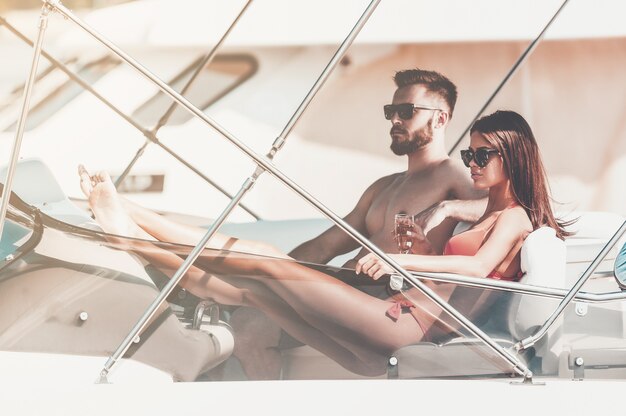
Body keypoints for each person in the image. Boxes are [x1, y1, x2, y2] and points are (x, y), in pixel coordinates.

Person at [79, 110, 570, 377]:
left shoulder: (517, 217)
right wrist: (422, 246)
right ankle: (134, 226)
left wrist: (394, 257)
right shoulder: (487, 213)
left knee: (268, 262)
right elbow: (457, 271)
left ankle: (130, 222)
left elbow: (479, 268)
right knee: (252, 290)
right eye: (470, 152)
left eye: (484, 154)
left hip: (404, 326)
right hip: (401, 315)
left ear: (514, 157)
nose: (473, 161)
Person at [231, 68, 487, 378]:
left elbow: (500, 208)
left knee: (246, 302)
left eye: (406, 111)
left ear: (440, 119)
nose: (395, 120)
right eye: (390, 111)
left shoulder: (451, 174)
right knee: (247, 328)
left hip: (383, 300)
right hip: (343, 288)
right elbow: (324, 245)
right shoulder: (383, 186)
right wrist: (282, 273)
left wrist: (449, 207)